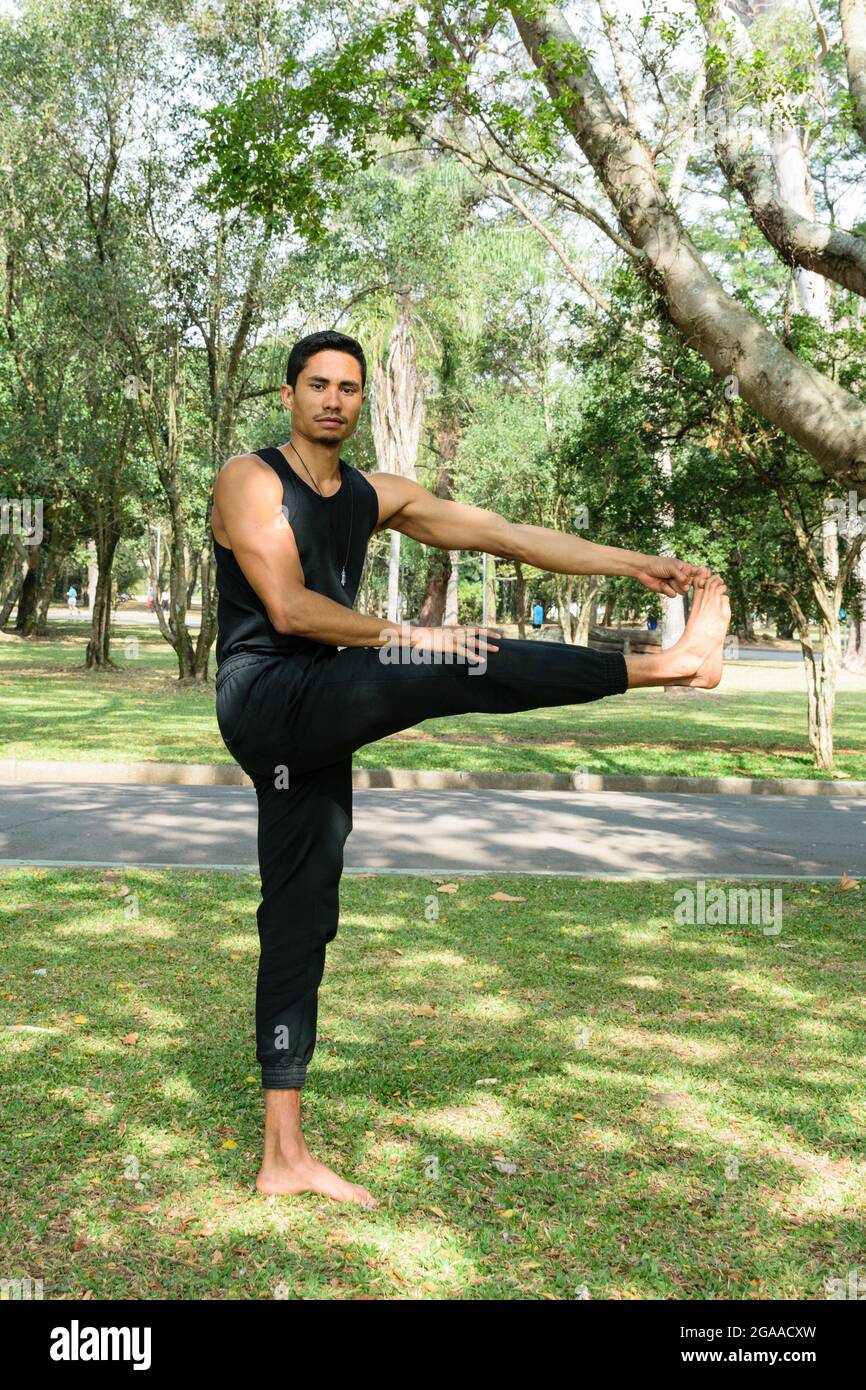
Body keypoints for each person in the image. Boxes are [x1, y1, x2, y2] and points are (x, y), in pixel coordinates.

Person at [210, 329, 730, 1209]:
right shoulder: (250, 478)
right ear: (289, 396)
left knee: (300, 916)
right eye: (317, 386)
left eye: (348, 388)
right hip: (266, 696)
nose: (333, 400)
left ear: (361, 401)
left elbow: (507, 537)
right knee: (453, 659)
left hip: (321, 722)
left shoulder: (376, 494)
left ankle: (284, 1157)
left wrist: (635, 563)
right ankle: (669, 667)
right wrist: (411, 636)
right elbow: (292, 609)